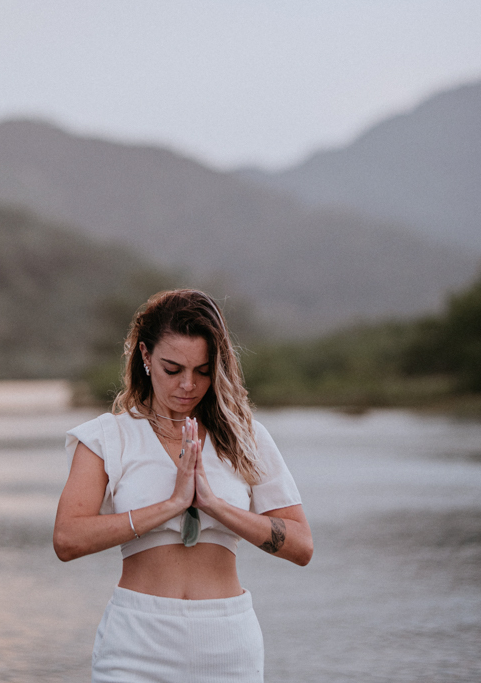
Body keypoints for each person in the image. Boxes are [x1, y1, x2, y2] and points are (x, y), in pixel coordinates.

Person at [53, 288, 312, 683]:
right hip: (136, 641)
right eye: (172, 369)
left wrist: (214, 505)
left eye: (203, 371)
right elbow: (67, 539)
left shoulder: (247, 438)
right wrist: (171, 505)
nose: (188, 385)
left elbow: (301, 546)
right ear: (145, 356)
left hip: (227, 641)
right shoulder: (106, 438)